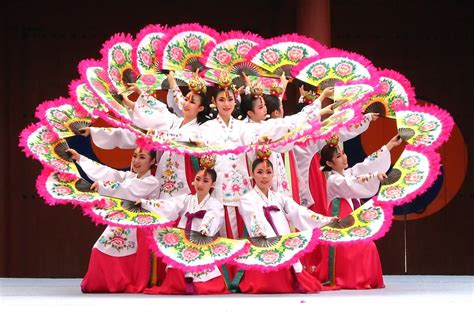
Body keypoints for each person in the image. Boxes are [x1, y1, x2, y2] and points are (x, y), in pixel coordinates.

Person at [237, 152, 338, 293]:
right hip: (263, 243)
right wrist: (260, 232)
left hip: (283, 243)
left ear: (273, 175)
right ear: (253, 175)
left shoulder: (279, 198)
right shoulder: (247, 199)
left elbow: (299, 212)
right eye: (259, 172)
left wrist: (325, 220)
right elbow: (253, 216)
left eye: (268, 172)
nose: (264, 176)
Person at [66, 147, 160, 293]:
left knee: (111, 247)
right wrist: (80, 159)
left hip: (140, 225)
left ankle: (119, 283)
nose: (136, 161)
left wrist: (103, 187)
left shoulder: (152, 181)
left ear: (152, 161)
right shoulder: (130, 176)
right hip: (124, 220)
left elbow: (129, 189)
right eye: (135, 156)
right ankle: (105, 283)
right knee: (99, 247)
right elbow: (107, 173)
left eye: (142, 157)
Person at [316, 133, 402, 289]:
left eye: (342, 153)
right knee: (362, 246)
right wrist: (375, 176)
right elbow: (351, 183)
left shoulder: (346, 173)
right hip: (339, 222)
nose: (344, 158)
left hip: (348, 218)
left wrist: (389, 145)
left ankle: (364, 278)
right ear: (329, 163)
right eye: (338, 157)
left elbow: (364, 166)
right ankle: (350, 278)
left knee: (368, 245)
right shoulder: (333, 180)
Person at [139, 155, 228, 295]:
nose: (200, 184)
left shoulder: (214, 204)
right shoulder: (187, 199)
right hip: (183, 238)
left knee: (204, 281)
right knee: (177, 274)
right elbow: (169, 205)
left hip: (200, 238)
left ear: (212, 184)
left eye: (205, 181)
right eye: (198, 179)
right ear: (193, 181)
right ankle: (179, 283)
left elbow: (214, 216)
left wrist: (205, 228)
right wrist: (146, 203)